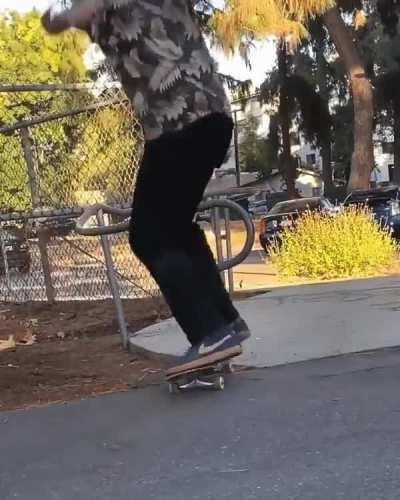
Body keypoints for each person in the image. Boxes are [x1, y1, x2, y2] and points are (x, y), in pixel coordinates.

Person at [42, 0, 250, 371]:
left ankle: (210, 333)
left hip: (181, 123)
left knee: (149, 235)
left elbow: (81, 13)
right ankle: (225, 321)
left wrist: (60, 19)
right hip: (208, 119)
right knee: (175, 228)